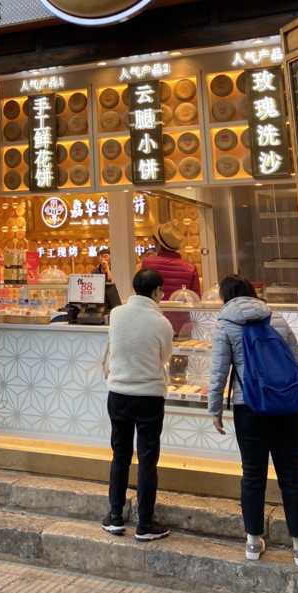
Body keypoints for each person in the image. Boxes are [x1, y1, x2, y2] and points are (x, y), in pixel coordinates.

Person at [208, 275, 298, 568]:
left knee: (253, 476)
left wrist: (215, 409)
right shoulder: (276, 318)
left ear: (225, 297)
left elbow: (218, 371)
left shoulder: (225, 323)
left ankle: (253, 542)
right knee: (291, 477)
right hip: (284, 406)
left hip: (249, 408)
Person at [102, 268, 173, 541]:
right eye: (161, 290)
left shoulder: (116, 314)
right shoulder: (162, 323)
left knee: (120, 455)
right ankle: (144, 524)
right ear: (156, 291)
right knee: (147, 461)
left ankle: (115, 517)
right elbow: (164, 357)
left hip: (118, 393)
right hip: (149, 397)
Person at [139, 222, 200, 334]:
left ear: (158, 243)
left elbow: (142, 297)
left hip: (154, 322)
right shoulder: (190, 268)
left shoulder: (148, 263)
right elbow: (196, 300)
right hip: (182, 326)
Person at [94, 247, 121, 311]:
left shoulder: (115, 269)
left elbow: (110, 280)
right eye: (102, 257)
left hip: (112, 295)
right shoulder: (94, 271)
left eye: (106, 256)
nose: (104, 259)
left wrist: (107, 268)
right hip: (100, 296)